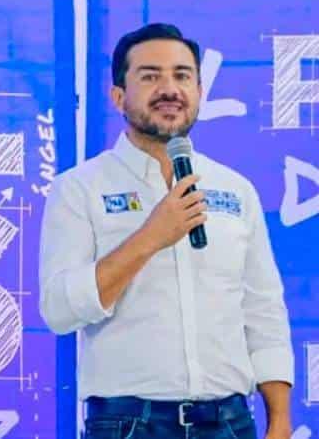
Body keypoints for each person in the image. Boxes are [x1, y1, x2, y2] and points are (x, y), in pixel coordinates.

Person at [39, 23, 293, 439]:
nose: (169, 89)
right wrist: (150, 237)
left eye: (182, 75)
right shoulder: (80, 188)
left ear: (199, 91)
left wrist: (280, 418)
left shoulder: (235, 189)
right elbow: (59, 310)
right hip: (128, 424)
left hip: (230, 422)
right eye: (150, 76)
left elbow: (263, 311)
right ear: (118, 96)